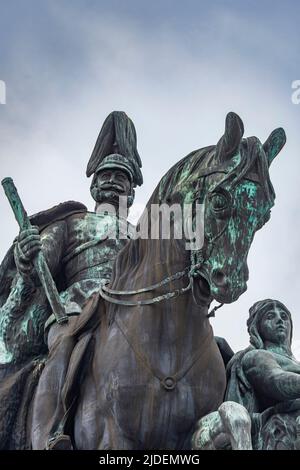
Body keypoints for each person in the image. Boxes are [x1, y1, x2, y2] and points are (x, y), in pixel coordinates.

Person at [0, 111, 143, 449]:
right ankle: (51, 430)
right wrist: (26, 253)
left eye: (120, 177)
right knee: (64, 346)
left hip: (132, 308)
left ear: (132, 192)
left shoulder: (144, 236)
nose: (111, 181)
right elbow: (39, 262)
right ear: (94, 184)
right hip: (76, 306)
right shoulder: (72, 222)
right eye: (105, 175)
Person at [226, 299, 300, 450]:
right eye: (270, 316)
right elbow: (276, 381)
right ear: (257, 327)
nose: (279, 319)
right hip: (279, 428)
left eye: (284, 316)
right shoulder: (256, 356)